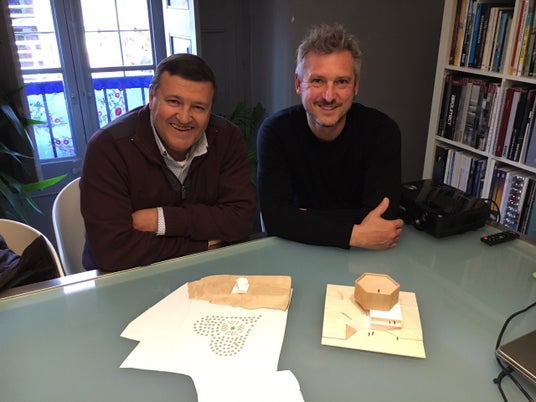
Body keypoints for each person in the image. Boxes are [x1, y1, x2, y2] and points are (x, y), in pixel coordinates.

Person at [80, 53, 256, 271]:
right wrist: (205, 243)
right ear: (152, 98)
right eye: (174, 102)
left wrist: (160, 220)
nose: (184, 117)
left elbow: (241, 221)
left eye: (198, 107)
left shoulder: (227, 138)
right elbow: (113, 252)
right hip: (128, 277)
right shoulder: (108, 147)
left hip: (208, 270)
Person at [257, 24, 403, 250]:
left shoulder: (382, 131)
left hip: (362, 257)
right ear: (298, 84)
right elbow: (275, 219)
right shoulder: (276, 132)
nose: (329, 96)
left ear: (355, 86)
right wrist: (354, 234)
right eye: (317, 81)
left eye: (341, 82)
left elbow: (385, 217)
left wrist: (302, 217)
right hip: (299, 251)